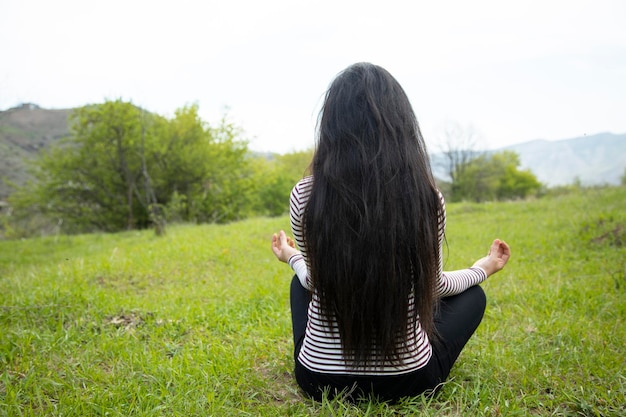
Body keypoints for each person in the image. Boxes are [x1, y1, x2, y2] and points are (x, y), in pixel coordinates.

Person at [271, 62, 510, 402]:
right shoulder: (426, 197)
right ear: (401, 125)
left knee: (300, 281)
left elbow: (314, 281)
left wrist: (291, 256)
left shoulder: (305, 194)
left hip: (317, 381)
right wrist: (484, 268)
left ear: (331, 127)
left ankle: (327, 357)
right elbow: (436, 286)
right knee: (472, 296)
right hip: (409, 380)